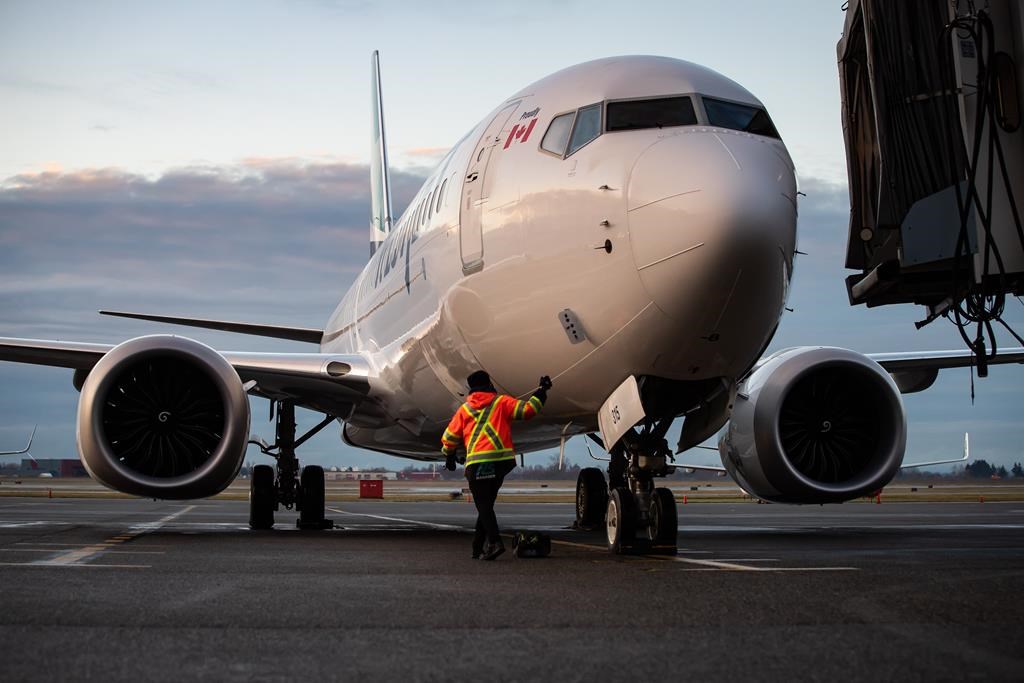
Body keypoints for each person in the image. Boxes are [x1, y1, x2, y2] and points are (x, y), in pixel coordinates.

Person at [441, 370, 552, 560]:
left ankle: (494, 542)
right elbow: (527, 411)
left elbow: (449, 438)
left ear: (470, 388)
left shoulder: (465, 409)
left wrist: (449, 457)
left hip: (477, 463)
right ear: (489, 384)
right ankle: (477, 548)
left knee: (483, 505)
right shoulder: (501, 402)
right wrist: (541, 391)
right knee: (486, 505)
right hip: (501, 462)